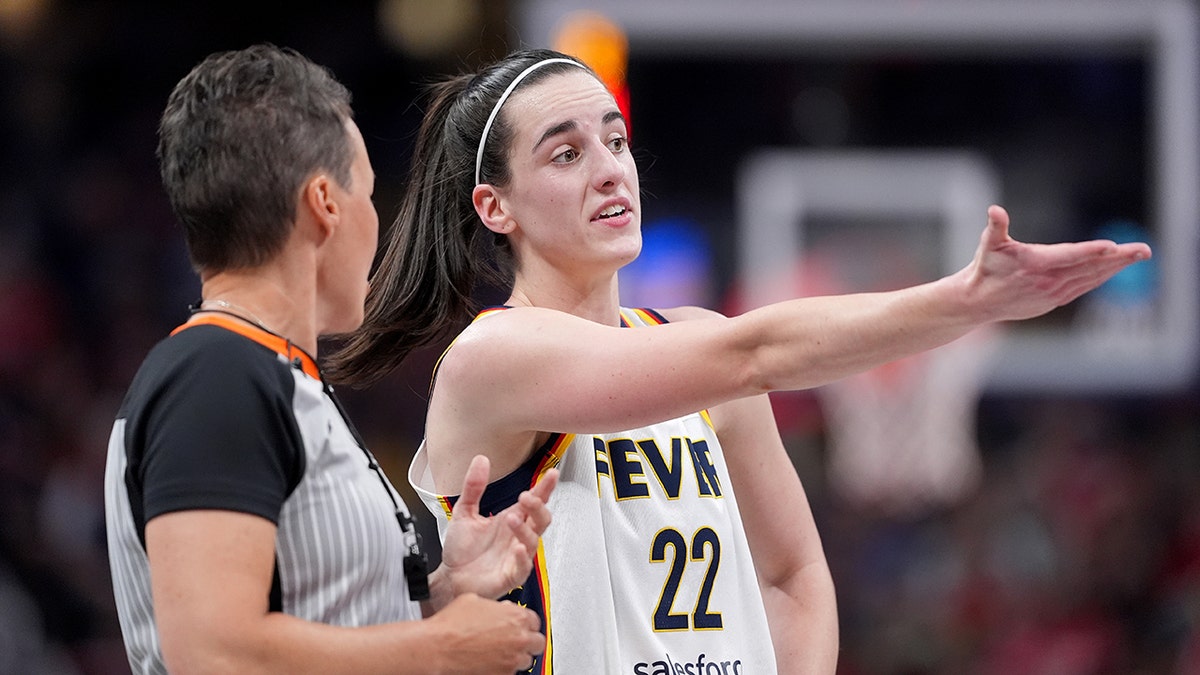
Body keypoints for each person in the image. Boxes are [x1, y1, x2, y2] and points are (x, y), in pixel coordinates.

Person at [327, 48, 1151, 674]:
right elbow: (757, 351)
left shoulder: (690, 339)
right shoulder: (495, 357)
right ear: (493, 206)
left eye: (615, 140)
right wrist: (964, 301)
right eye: (566, 153)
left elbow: (793, 573)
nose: (612, 169)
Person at [103, 44, 559, 675]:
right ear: (324, 204)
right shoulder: (216, 375)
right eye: (369, 194)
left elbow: (318, 627)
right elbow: (211, 651)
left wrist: (445, 590)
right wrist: (439, 649)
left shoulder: (262, 373)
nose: (375, 221)